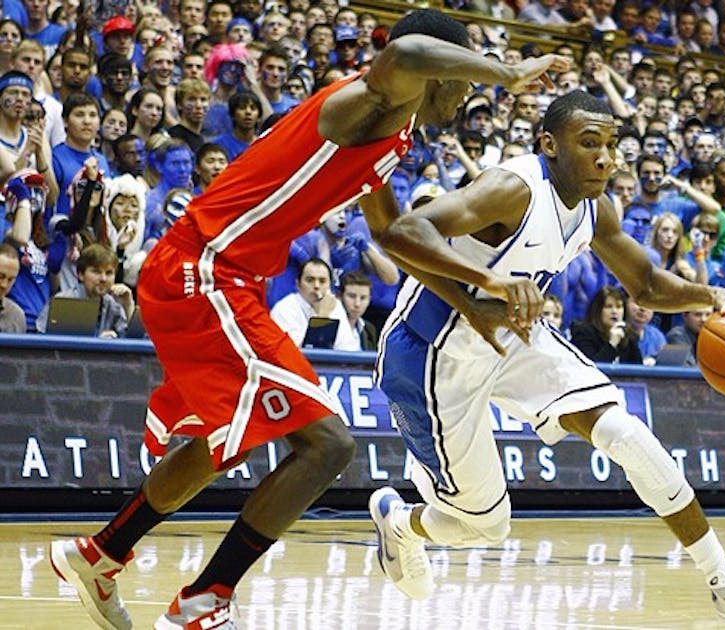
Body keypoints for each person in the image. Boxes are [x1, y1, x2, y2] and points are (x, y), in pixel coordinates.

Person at [49, 10, 568, 630]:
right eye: (464, 79)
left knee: (225, 439)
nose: (466, 96)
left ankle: (100, 553)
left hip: (221, 277)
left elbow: (395, 235)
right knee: (327, 446)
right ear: (442, 72)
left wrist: (473, 299)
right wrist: (506, 70)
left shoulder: (392, 138)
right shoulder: (360, 102)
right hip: (206, 269)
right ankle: (204, 601)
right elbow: (403, 51)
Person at [370, 91, 725, 628]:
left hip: (513, 335)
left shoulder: (597, 208)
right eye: (589, 143)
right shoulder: (512, 188)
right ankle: (399, 521)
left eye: (612, 144)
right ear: (549, 145)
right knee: (485, 525)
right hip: (434, 349)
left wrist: (716, 296)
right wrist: (481, 289)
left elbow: (645, 284)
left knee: (628, 434)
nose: (605, 157)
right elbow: (404, 232)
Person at [36, 243, 132, 338]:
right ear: (81, 275)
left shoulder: (112, 304)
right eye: (96, 272)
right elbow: (41, 341)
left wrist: (128, 305)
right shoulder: (63, 301)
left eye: (109, 273)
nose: (103, 279)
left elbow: (130, 340)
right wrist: (97, 343)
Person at [570, 286, 643, 364]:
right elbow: (592, 370)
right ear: (598, 310)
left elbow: (639, 369)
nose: (614, 311)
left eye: (619, 307)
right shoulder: (583, 334)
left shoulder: (629, 336)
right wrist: (612, 344)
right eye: (608, 306)